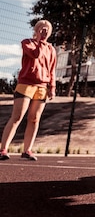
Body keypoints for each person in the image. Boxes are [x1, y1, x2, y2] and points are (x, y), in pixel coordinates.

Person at [1, 20, 57, 161]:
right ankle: (3, 149)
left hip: (42, 87)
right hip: (26, 84)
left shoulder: (51, 49)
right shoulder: (27, 42)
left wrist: (52, 87)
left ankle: (27, 150)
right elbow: (35, 55)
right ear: (36, 30)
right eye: (41, 29)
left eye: (47, 30)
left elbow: (52, 70)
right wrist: (39, 41)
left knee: (34, 119)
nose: (44, 31)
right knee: (17, 117)